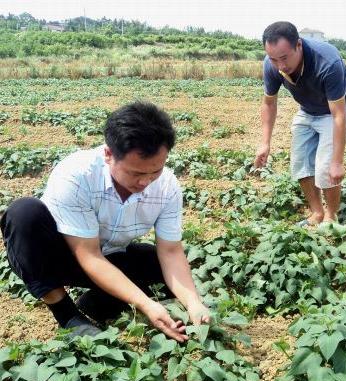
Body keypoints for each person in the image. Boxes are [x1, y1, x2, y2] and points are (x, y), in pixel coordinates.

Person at [0, 101, 210, 341]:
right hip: (66, 255)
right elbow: (89, 256)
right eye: (136, 173)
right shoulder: (77, 175)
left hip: (111, 254)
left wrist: (194, 303)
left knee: (155, 264)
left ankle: (98, 302)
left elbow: (171, 252)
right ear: (109, 154)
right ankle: (67, 315)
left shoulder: (167, 186)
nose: (146, 182)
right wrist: (146, 304)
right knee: (23, 214)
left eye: (156, 171)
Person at [254, 21, 346, 225]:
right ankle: (317, 213)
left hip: (340, 109)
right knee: (300, 162)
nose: (281, 66)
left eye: (284, 58)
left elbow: (339, 114)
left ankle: (331, 217)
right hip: (309, 109)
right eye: (274, 59)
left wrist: (337, 162)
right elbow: (269, 103)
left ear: (299, 45)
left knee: (326, 166)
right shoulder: (272, 64)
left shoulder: (327, 62)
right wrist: (265, 143)